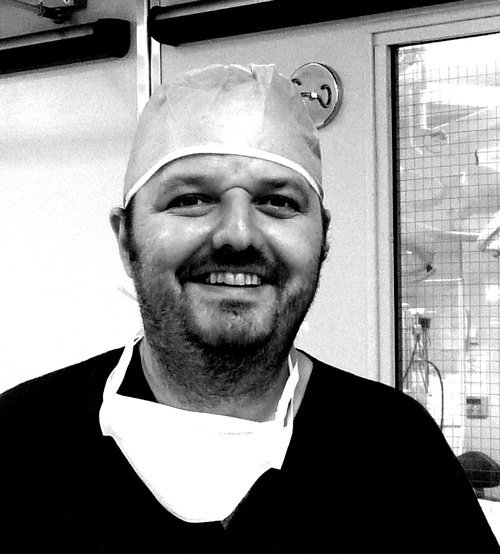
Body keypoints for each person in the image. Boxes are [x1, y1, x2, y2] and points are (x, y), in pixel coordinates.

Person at [0, 64, 498, 553]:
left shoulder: (398, 451)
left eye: (278, 202)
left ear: (322, 238)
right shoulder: (17, 443)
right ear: (125, 239)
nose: (238, 234)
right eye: (191, 199)